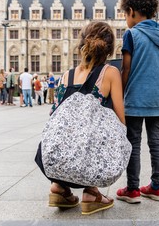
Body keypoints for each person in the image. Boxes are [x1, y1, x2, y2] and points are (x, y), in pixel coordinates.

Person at [38, 21, 125, 215]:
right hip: (89, 159)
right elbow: (120, 118)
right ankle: (91, 192)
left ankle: (58, 188)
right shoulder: (110, 73)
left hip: (53, 161)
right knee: (105, 125)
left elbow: (54, 115)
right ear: (109, 48)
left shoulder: (66, 76)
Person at [115, 0, 159, 204]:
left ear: (131, 11)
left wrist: (119, 93)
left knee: (134, 142)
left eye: (125, 15)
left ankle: (132, 189)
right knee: (156, 141)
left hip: (136, 98)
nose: (126, 20)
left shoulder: (131, 34)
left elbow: (126, 68)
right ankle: (157, 187)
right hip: (157, 97)